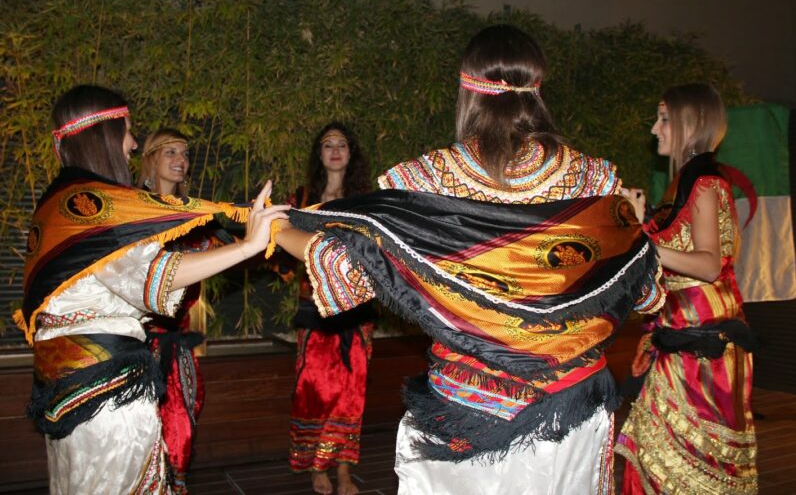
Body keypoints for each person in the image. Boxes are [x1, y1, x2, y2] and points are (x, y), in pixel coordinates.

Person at [276, 25, 664, 494]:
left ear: (466, 90)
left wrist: (276, 229)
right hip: (572, 407)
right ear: (537, 89)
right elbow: (645, 290)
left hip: (468, 409)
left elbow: (352, 272)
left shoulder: (427, 178)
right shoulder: (594, 178)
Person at [15, 85, 288, 494]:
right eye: (127, 130)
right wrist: (249, 245)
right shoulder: (94, 209)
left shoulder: (57, 205)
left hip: (69, 388)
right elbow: (156, 277)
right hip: (105, 396)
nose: (133, 142)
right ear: (104, 135)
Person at [615, 84, 758, 494]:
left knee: (687, 467)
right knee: (661, 461)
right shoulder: (688, 182)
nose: (654, 128)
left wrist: (642, 239)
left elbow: (709, 265)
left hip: (701, 352)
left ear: (690, 124)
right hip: (680, 341)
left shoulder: (705, 185)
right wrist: (640, 223)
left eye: (663, 118)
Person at [283, 122, 376, 495]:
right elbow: (282, 251)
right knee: (313, 389)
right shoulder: (302, 198)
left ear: (351, 153)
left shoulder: (366, 200)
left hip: (357, 309)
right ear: (319, 154)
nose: (335, 150)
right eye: (327, 145)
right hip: (314, 307)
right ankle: (314, 466)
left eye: (342, 144)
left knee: (351, 391)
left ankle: (341, 471)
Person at [137, 128, 215, 494]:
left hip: (177, 343)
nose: (180, 160)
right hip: (136, 345)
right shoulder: (133, 211)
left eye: (184, 153)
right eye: (170, 152)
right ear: (150, 158)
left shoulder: (194, 217)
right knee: (139, 435)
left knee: (181, 428)